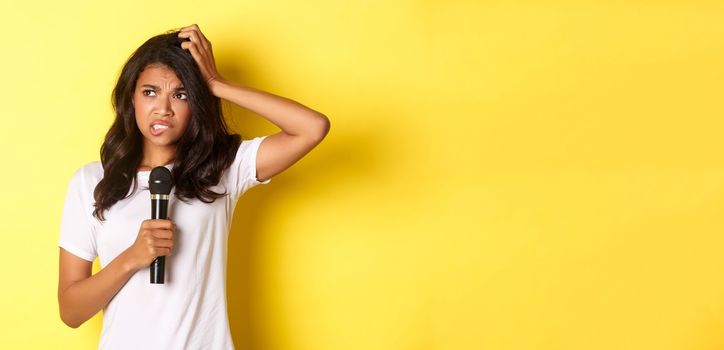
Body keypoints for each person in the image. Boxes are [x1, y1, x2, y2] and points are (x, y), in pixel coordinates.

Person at [57, 24, 330, 349]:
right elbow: (71, 311)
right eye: (150, 92)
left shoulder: (222, 168)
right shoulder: (91, 181)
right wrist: (131, 258)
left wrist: (216, 83)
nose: (163, 108)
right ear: (132, 98)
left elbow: (312, 128)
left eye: (181, 94)